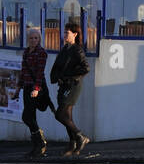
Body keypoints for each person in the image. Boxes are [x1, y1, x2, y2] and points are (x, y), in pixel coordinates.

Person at [50, 20, 91, 155]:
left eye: (67, 33)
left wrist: (71, 77)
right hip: (64, 85)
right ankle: (73, 144)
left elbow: (85, 68)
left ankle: (80, 136)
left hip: (73, 86)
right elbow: (57, 68)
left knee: (59, 114)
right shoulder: (64, 49)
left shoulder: (77, 50)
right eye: (64, 32)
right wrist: (58, 77)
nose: (65, 35)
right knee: (67, 116)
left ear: (75, 34)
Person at [19, 27, 54, 156]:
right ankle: (37, 146)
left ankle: (40, 141)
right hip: (26, 87)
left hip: (35, 88)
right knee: (30, 116)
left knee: (26, 116)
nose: (33, 40)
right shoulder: (26, 52)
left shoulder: (41, 53)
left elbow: (40, 72)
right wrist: (18, 87)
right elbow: (23, 72)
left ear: (39, 39)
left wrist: (37, 89)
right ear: (27, 40)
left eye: (36, 38)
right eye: (31, 38)